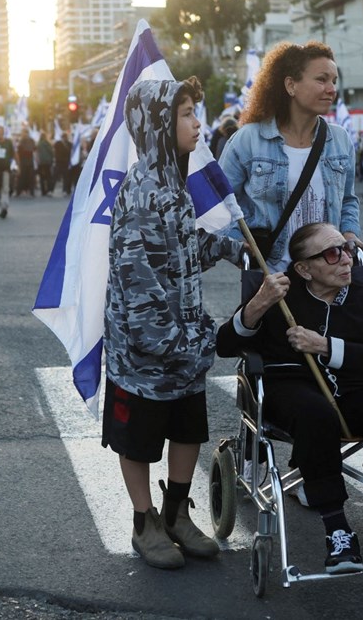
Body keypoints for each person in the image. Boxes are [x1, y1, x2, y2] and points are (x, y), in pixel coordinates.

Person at [216, 222, 363, 574]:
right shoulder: (281, 296)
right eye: (332, 253)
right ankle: (337, 530)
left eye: (345, 248)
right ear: (303, 269)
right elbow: (225, 346)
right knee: (316, 414)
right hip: (294, 388)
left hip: (360, 387)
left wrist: (325, 346)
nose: (346, 259)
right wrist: (257, 304)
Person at [104, 76, 244, 570]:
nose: (197, 123)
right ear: (160, 125)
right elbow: (140, 283)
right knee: (138, 439)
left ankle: (177, 512)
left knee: (188, 429)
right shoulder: (142, 191)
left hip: (183, 343)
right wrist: (179, 344)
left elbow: (183, 252)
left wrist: (231, 248)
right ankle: (146, 523)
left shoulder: (173, 183)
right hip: (148, 353)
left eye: (194, 112)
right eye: (185, 114)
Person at [218, 40, 362, 273]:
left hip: (328, 276)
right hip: (272, 276)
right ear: (291, 85)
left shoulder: (340, 140)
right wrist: (238, 245)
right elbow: (220, 202)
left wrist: (349, 233)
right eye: (321, 79)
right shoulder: (249, 140)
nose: (331, 89)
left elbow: (348, 199)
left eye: (334, 81)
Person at [36, 130, 54, 195]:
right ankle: (49, 190)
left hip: (41, 163)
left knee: (42, 178)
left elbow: (37, 153)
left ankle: (43, 191)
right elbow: (51, 152)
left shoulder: (38, 144)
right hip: (47, 162)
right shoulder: (47, 143)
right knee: (48, 177)